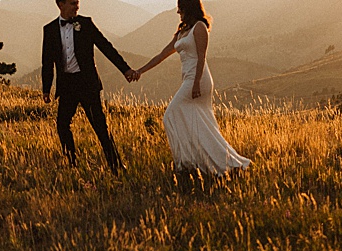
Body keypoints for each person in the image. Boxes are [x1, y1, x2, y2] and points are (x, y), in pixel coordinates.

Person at [129, 0, 252, 174]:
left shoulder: (199, 27)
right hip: (188, 79)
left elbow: (201, 57)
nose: (178, 12)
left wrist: (196, 84)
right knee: (200, 124)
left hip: (198, 79)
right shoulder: (182, 32)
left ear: (189, 7)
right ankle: (209, 162)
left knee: (170, 116)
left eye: (181, 8)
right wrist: (140, 71)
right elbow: (162, 55)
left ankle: (185, 163)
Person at [41, 0, 136, 170]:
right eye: (72, 3)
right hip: (67, 86)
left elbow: (106, 47)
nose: (77, 7)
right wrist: (46, 89)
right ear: (60, 4)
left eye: (77, 3)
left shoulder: (86, 24)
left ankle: (116, 166)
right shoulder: (49, 30)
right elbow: (47, 62)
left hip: (87, 84)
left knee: (100, 126)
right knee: (62, 125)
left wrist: (125, 69)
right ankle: (71, 164)